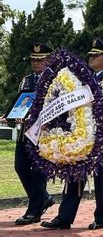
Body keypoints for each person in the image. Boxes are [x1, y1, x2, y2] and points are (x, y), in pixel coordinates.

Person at [41, 38, 103, 230]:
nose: (91, 58)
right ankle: (64, 217)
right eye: (91, 55)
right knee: (74, 178)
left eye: (96, 55)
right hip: (79, 136)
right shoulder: (79, 79)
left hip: (102, 137)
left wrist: (86, 101)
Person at [1, 43, 55, 225]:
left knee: (39, 172)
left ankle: (34, 211)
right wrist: (10, 116)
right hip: (26, 131)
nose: (36, 63)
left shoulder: (56, 80)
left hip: (44, 133)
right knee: (21, 166)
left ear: (49, 60)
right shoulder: (27, 80)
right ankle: (44, 198)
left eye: (40, 60)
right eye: (33, 59)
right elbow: (20, 103)